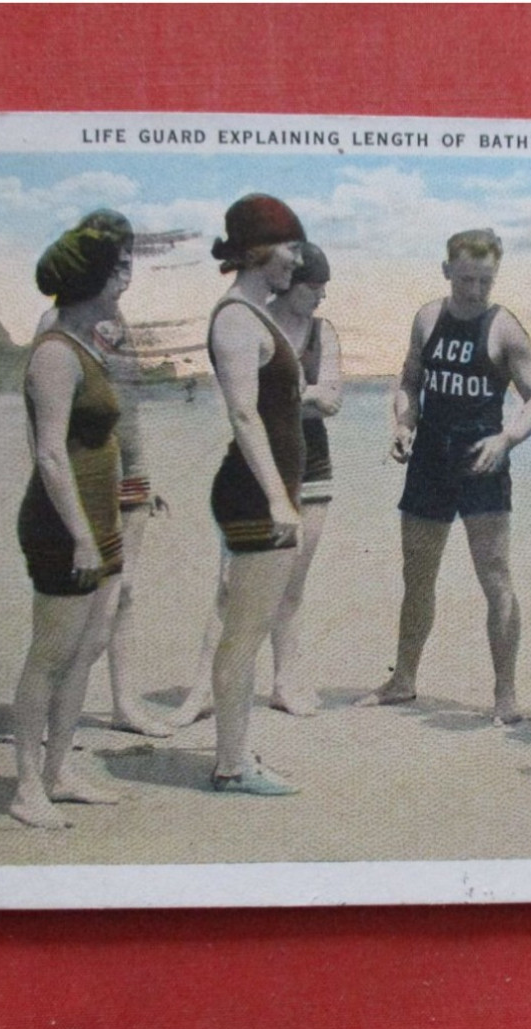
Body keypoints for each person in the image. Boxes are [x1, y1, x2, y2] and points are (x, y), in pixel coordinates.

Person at [359, 228, 531, 724]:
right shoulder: (427, 317)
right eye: (466, 279)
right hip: (429, 460)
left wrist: (507, 439)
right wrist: (403, 422)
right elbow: (409, 381)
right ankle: (403, 678)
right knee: (417, 575)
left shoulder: (505, 328)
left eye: (485, 281)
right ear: (447, 271)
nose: (474, 291)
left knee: (496, 577)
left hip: (482, 461)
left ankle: (505, 696)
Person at [170, 243, 343, 724]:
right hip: (257, 467)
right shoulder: (248, 320)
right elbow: (245, 403)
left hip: (312, 469)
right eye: (314, 288)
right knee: (231, 586)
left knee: (292, 584)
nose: (321, 298)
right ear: (290, 283)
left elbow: (332, 399)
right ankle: (201, 690)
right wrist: (301, 396)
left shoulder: (322, 332)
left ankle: (286, 683)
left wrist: (286, 395)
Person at [10, 214, 135, 828]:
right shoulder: (56, 354)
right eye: (116, 267)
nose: (126, 275)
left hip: (99, 520)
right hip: (63, 526)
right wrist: (83, 535)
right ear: (92, 279)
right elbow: (49, 453)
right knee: (50, 655)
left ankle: (60, 770)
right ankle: (27, 786)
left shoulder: (90, 343)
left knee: (87, 648)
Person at [32, 211, 172, 739]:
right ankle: (55, 710)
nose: (125, 271)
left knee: (125, 593)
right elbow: (47, 426)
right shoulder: (59, 325)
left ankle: (123, 702)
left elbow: (128, 412)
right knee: (82, 604)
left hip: (129, 476)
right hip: (86, 480)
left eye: (130, 259)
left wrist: (143, 477)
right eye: (116, 261)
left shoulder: (119, 320)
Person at [203, 194, 309, 795]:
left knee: (250, 625)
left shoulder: (254, 312)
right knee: (245, 632)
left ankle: (236, 752)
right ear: (261, 248)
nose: (297, 260)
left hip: (260, 491)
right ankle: (231, 764)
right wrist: (277, 499)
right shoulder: (236, 318)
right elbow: (244, 414)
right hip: (252, 496)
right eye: (291, 247)